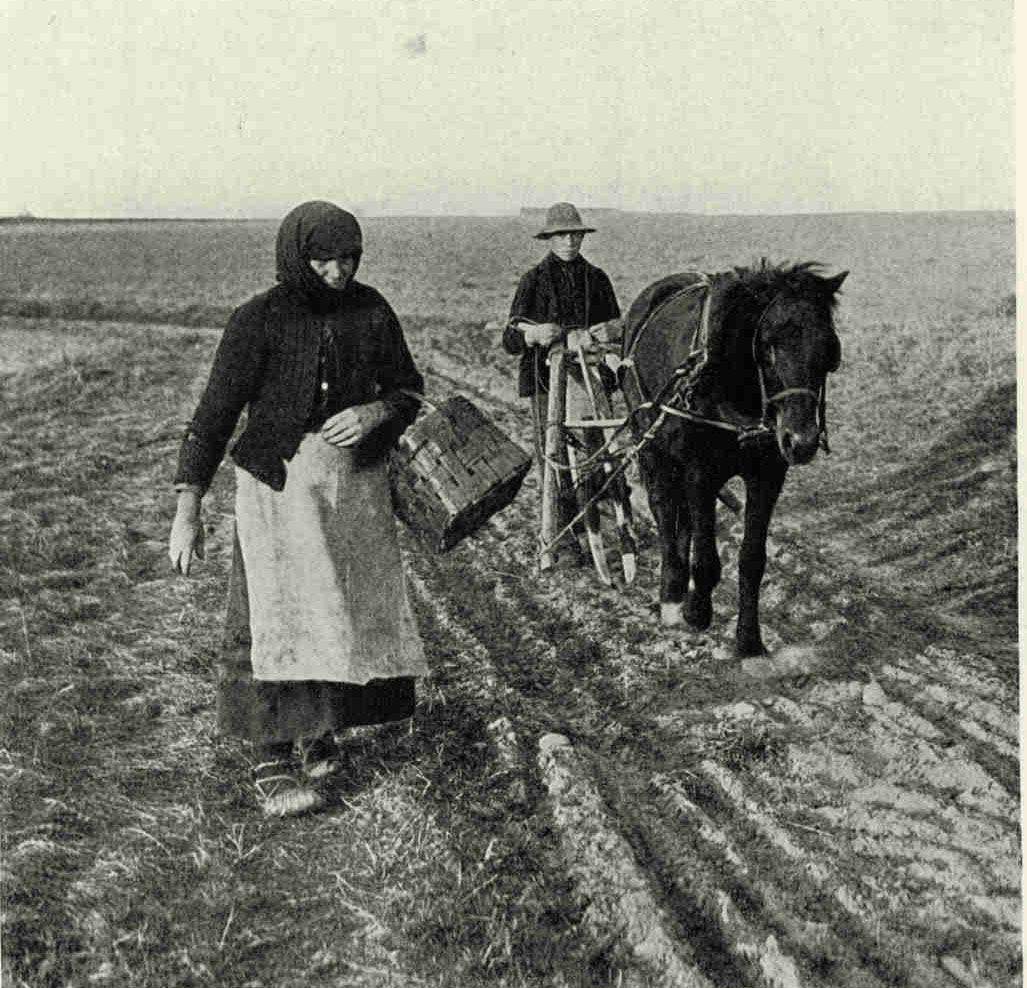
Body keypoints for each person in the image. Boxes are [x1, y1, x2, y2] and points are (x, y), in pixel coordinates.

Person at [168, 200, 428, 817]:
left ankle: (321, 728)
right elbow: (213, 417)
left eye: (348, 258)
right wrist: (189, 504)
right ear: (295, 256)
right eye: (323, 259)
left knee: (339, 606)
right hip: (279, 492)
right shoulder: (257, 320)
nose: (337, 271)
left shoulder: (372, 311)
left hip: (352, 489)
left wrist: (376, 412)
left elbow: (408, 390)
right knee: (274, 614)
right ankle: (271, 754)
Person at [501, 202, 622, 564]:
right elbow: (511, 337)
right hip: (544, 381)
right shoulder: (533, 280)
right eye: (561, 235)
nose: (569, 241)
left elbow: (616, 327)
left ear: (582, 237)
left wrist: (611, 330)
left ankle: (592, 525)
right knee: (553, 456)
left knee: (591, 455)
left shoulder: (596, 279)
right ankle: (564, 541)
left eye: (575, 234)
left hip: (588, 380)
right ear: (549, 239)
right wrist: (534, 334)